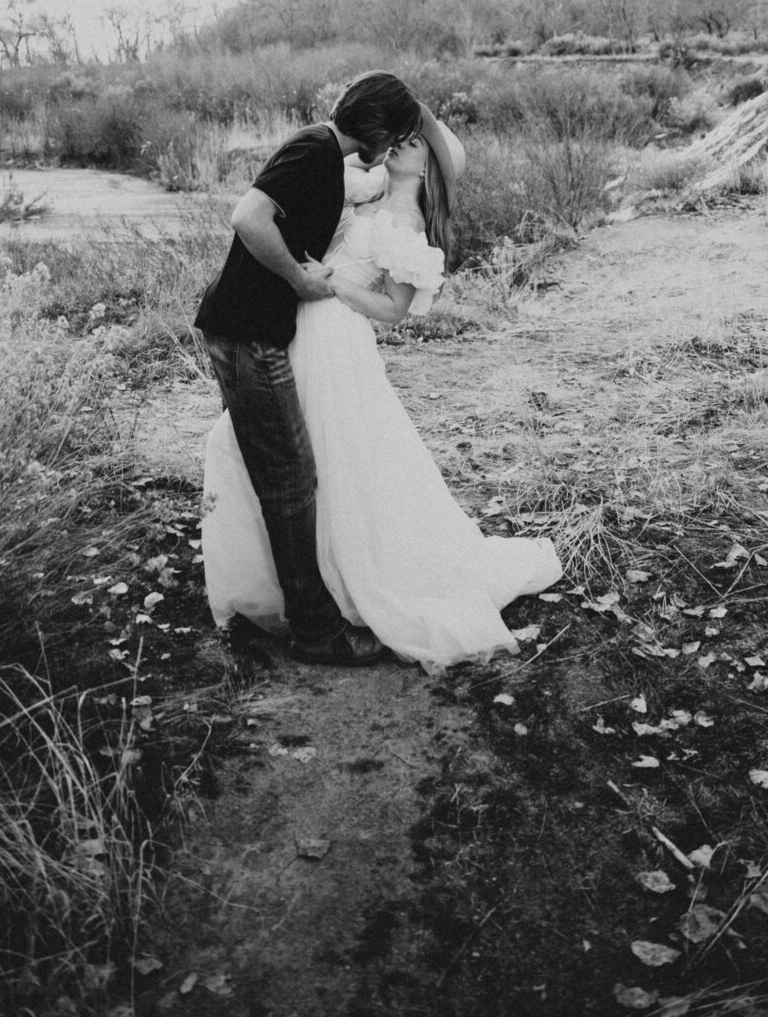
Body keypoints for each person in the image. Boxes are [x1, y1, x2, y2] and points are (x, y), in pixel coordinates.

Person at [202, 103, 562, 673]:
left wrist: (336, 287)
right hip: (299, 329)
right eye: (401, 138)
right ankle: (286, 585)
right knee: (279, 453)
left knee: (329, 461)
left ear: (428, 169)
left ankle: (343, 582)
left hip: (335, 335)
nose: (400, 145)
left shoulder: (410, 225)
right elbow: (335, 157)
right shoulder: (366, 191)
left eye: (415, 144)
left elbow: (395, 310)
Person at [195, 70, 422, 666]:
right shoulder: (312, 148)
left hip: (256, 330)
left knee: (285, 473)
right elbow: (248, 217)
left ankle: (296, 606)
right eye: (394, 132)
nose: (396, 143)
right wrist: (298, 277)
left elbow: (365, 186)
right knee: (290, 481)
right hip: (247, 334)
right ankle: (316, 630)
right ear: (375, 126)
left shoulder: (327, 156)